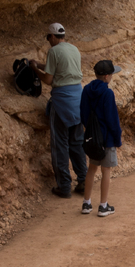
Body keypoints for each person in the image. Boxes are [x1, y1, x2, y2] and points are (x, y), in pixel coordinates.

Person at [39, 23, 87, 199]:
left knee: (60, 145)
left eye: (48, 38)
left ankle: (64, 186)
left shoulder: (53, 51)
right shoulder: (74, 49)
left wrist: (34, 70)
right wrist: (39, 63)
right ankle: (83, 181)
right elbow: (61, 68)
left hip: (62, 103)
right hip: (78, 100)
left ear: (52, 37)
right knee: (77, 143)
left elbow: (49, 79)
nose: (48, 41)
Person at [80, 61, 122, 218]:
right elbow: (112, 120)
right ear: (106, 76)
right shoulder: (108, 93)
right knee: (106, 170)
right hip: (107, 139)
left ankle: (86, 202)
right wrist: (117, 138)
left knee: (92, 168)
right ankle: (103, 206)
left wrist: (90, 130)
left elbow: (83, 114)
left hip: (92, 136)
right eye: (111, 74)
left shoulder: (86, 90)